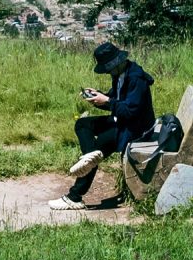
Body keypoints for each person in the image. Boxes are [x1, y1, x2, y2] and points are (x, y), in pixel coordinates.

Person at [49, 40, 155, 210]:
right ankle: (89, 156)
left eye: (108, 68)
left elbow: (130, 112)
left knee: (96, 150)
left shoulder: (136, 79)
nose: (107, 72)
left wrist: (107, 101)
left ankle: (74, 197)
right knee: (83, 125)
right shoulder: (120, 74)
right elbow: (116, 101)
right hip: (122, 122)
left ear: (116, 63)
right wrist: (99, 98)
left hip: (135, 129)